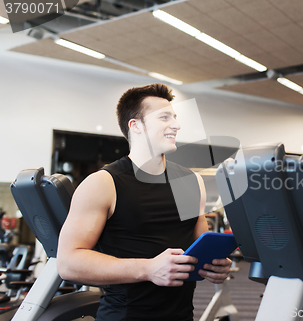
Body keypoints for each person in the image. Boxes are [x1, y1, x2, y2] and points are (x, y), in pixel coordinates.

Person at [57, 84, 232, 321]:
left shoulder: (192, 182)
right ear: (135, 125)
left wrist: (215, 265)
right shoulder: (103, 183)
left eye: (175, 117)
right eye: (164, 117)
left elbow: (199, 247)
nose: (176, 125)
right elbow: (69, 263)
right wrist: (148, 269)